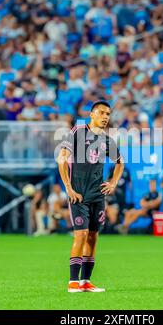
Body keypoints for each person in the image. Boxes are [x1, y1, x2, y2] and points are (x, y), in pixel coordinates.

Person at [57, 100, 124, 293]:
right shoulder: (77, 132)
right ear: (92, 115)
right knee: (81, 234)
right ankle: (72, 282)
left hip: (97, 196)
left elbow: (120, 162)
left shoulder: (106, 140)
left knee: (93, 236)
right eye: (102, 113)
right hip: (78, 195)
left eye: (108, 114)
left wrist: (113, 182)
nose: (105, 117)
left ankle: (85, 281)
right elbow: (62, 159)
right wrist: (68, 188)